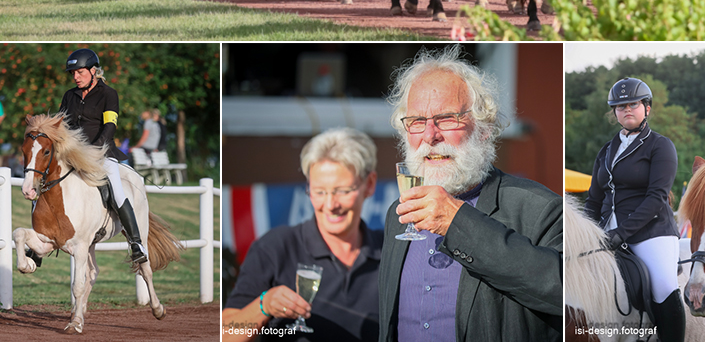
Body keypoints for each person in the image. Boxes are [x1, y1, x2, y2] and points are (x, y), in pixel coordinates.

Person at [379, 47, 562, 342]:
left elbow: (570, 294)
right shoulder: (398, 214)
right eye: (416, 121)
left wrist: (459, 223)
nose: (430, 136)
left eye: (447, 118)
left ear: (484, 128)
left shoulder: (539, 208)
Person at [223, 128, 382, 341]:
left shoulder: (391, 252)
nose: (330, 204)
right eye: (319, 191)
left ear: (369, 185)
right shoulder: (275, 246)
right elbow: (226, 333)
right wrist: (264, 304)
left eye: (343, 191)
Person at [583, 78, 685, 342]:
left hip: (651, 232)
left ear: (646, 108)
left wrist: (622, 232)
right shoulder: (606, 151)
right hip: (607, 230)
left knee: (664, 286)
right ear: (614, 112)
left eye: (634, 104)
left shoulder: (660, 146)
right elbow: (594, 199)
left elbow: (656, 198)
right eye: (620, 106)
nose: (627, 109)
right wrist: (584, 233)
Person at [58, 48, 148, 266]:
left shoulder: (109, 94)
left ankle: (136, 243)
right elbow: (60, 125)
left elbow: (110, 126)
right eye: (73, 74)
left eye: (79, 72)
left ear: (93, 71)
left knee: (116, 189)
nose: (75, 77)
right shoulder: (69, 96)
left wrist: (95, 149)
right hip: (71, 156)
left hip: (101, 153)